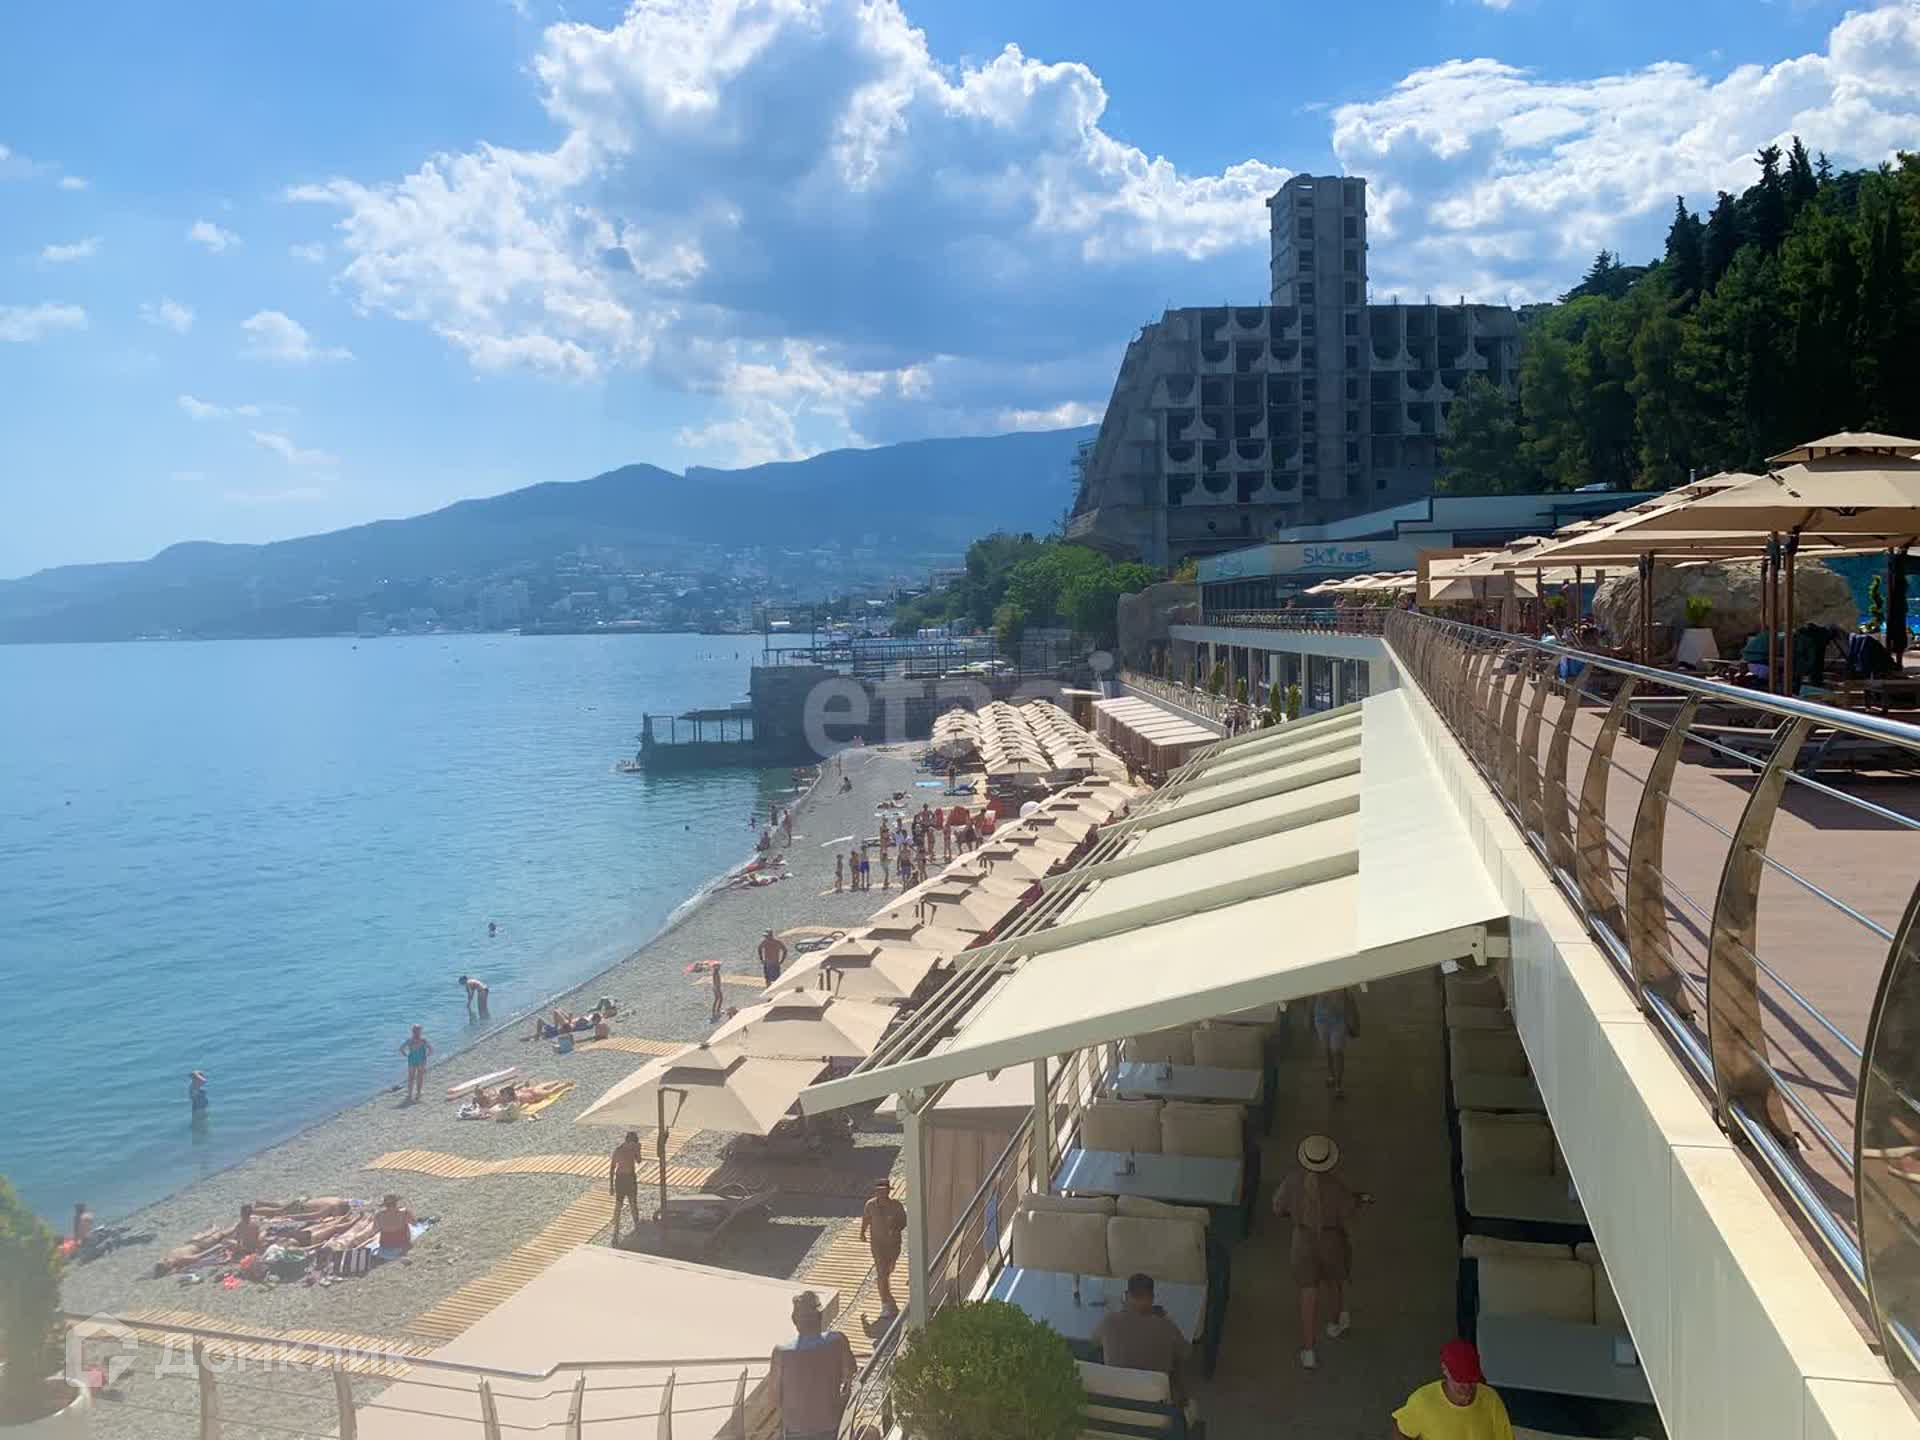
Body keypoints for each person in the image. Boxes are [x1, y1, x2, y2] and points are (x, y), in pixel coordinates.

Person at [1272, 1134, 1369, 1370]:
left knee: (1308, 1292)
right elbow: (1348, 1212)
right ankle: (1335, 1324)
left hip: (1302, 1241)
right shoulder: (1336, 1186)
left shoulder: (1292, 1181)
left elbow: (1278, 1208)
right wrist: (1360, 1200)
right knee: (1334, 1282)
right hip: (1331, 1240)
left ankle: (1308, 1350)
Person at [1091, 1273, 1192, 1408]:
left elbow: (1094, 1342)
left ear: (1127, 1295)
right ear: (1152, 1298)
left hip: (1117, 1402)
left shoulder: (1109, 1321)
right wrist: (1168, 1321)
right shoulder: (1166, 1326)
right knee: (1175, 1361)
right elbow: (1186, 1352)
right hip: (1156, 1408)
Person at [768, 1291, 856, 1440]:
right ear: (820, 1317)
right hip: (831, 1426)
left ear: (794, 1320)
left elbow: (773, 1399)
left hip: (796, 1431)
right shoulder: (838, 1341)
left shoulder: (781, 1352)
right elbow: (850, 1373)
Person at [1391, 1341, 1513, 1439]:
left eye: (1472, 1379)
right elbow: (1401, 1432)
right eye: (1460, 1379)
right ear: (1444, 1369)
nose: (1467, 1386)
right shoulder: (1423, 1401)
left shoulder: (1490, 1398)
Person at [860, 1180, 908, 1318]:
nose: (881, 1193)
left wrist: (895, 1227)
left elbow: (903, 1222)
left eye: (884, 1190)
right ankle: (885, 1305)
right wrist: (862, 1232)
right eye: (878, 1191)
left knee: (888, 1270)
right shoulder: (870, 1205)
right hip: (877, 1245)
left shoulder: (896, 1206)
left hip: (893, 1245)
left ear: (888, 1191)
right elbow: (866, 1219)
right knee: (882, 1273)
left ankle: (887, 1299)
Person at [1311, 987, 1358, 1098]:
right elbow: (1311, 996)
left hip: (1339, 1020)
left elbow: (1350, 999)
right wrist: (1309, 1017)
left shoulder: (1343, 982)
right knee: (1327, 1049)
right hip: (1321, 1018)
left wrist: (1354, 1021)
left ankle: (1338, 1086)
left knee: (1337, 1051)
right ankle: (1331, 1076)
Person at [610, 1130, 644, 1244]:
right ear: (629, 1142)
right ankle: (615, 1232)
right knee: (618, 1206)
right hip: (621, 1179)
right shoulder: (619, 1151)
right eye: (633, 1144)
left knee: (633, 1203)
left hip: (630, 1178)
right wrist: (611, 1186)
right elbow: (612, 1168)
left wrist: (638, 1151)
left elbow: (639, 1161)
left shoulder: (633, 1150)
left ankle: (637, 1226)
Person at [399, 1025, 432, 1103]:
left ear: (412, 1032)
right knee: (419, 1077)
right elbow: (431, 1050)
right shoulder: (423, 1040)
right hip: (421, 1060)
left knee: (411, 1077)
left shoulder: (409, 1041)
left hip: (412, 1060)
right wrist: (426, 1056)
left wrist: (406, 1055)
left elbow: (401, 1049)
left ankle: (410, 1094)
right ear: (420, 1032)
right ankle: (418, 1093)